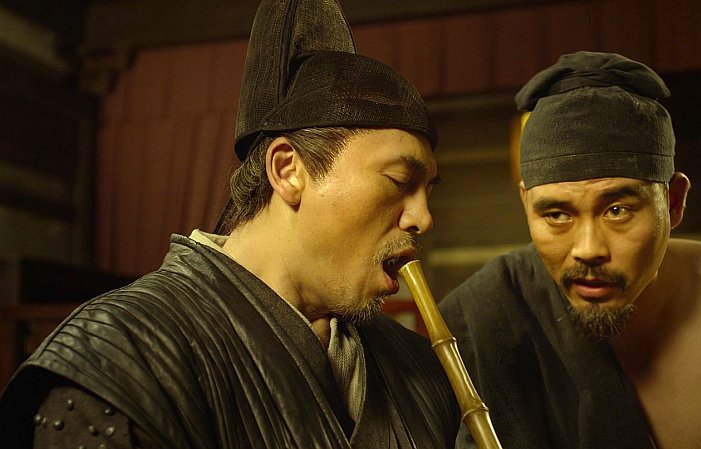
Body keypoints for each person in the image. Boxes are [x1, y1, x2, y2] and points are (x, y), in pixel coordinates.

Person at [0, 0, 459, 447]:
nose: (423, 218)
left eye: (428, 191)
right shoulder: (121, 358)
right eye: (400, 181)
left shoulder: (417, 366)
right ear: (288, 170)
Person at [439, 51, 701, 449]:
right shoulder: (485, 314)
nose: (588, 250)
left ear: (673, 202)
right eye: (557, 215)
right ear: (527, 206)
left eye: (617, 210)